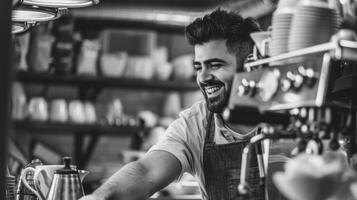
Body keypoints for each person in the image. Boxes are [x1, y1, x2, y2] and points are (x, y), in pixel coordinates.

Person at [80, 8, 287, 200]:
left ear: (250, 66)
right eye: (199, 67)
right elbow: (147, 171)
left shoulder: (293, 112)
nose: (203, 77)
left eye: (215, 65)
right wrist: (99, 197)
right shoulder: (196, 122)